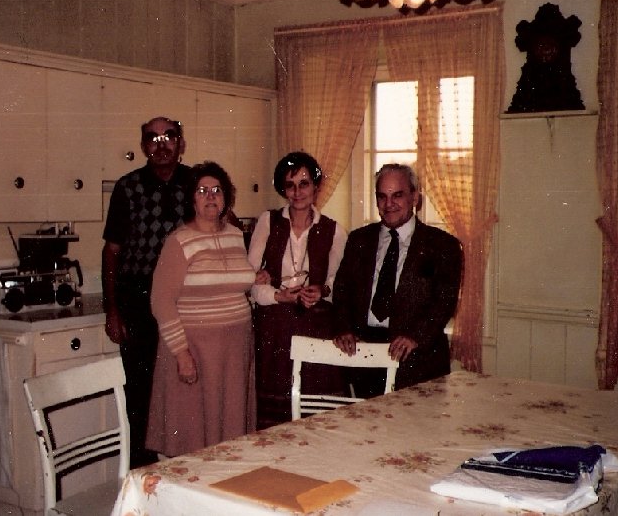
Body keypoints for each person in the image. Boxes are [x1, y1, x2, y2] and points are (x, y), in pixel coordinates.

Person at [146, 162, 257, 456]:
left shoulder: (236, 235)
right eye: (202, 190)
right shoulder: (179, 241)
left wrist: (256, 278)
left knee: (230, 437)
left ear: (226, 197)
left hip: (234, 351)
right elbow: (161, 300)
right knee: (192, 440)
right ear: (191, 199)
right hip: (195, 350)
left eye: (217, 190)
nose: (210, 196)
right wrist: (182, 354)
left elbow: (228, 281)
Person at [101, 116, 189, 467]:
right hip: (137, 301)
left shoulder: (196, 184)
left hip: (183, 301)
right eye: (153, 138)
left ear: (180, 143)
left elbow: (222, 227)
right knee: (140, 392)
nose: (161, 144)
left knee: (183, 388)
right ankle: (143, 476)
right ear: (143, 147)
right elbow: (112, 251)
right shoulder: (128, 187)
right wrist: (112, 309)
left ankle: (183, 474)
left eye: (169, 136)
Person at [333, 163, 462, 397]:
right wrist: (344, 328)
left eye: (397, 195)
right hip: (364, 359)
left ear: (415, 197)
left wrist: (415, 337)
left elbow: (444, 302)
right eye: (382, 196)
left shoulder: (442, 245)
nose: (389, 204)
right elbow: (342, 291)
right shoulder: (359, 240)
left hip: (417, 361)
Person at [248, 151, 348, 429]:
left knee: (314, 416)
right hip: (275, 330)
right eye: (290, 185)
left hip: (315, 328)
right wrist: (276, 295)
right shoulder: (268, 222)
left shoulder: (335, 231)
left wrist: (322, 291)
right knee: (274, 418)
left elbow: (338, 284)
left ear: (316, 186)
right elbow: (249, 280)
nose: (297, 192)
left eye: (304, 183)